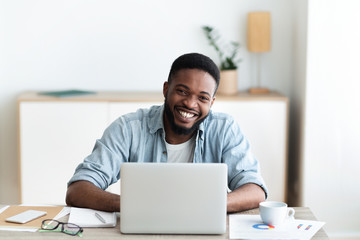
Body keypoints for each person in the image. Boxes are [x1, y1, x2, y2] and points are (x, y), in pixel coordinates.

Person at [66, 53, 268, 213]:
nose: (190, 103)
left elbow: (255, 190)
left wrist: (209, 207)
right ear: (166, 89)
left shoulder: (225, 129)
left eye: (203, 98)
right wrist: (134, 206)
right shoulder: (128, 128)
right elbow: (78, 190)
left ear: (212, 103)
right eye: (182, 91)